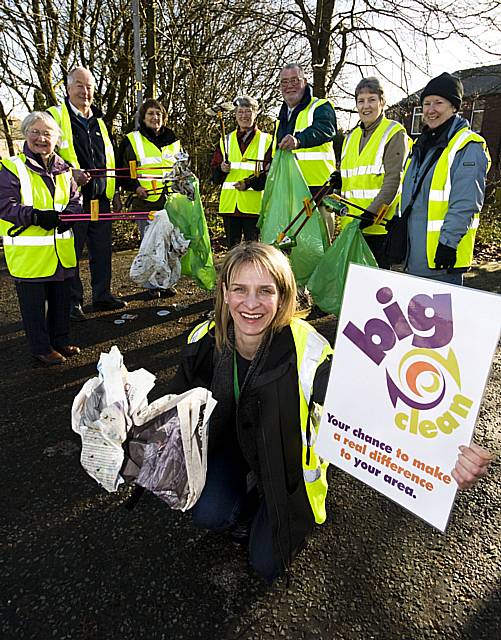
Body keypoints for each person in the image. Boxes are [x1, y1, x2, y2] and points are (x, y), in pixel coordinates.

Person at [166, 241, 491, 582]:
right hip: (235, 449)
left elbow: (371, 408)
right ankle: (246, 501)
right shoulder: (205, 339)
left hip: (285, 468)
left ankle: (272, 508)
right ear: (224, 292)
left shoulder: (307, 349)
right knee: (208, 514)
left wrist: (445, 456)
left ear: (283, 296)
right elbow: (172, 408)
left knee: (266, 564)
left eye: (265, 290)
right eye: (240, 290)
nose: (251, 304)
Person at [0, 112, 81, 365]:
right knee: (34, 307)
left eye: (47, 133)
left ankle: (60, 340)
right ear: (25, 134)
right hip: (30, 254)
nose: (41, 138)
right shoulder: (13, 167)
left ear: (56, 138)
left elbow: (76, 201)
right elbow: (5, 205)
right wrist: (35, 216)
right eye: (35, 132)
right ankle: (41, 348)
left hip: (60, 250)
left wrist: (68, 214)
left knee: (60, 299)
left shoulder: (64, 170)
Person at [47, 66, 126, 321]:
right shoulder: (55, 117)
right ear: (68, 88)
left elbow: (110, 158)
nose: (85, 91)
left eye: (89, 86)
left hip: (101, 198)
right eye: (80, 85)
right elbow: (45, 155)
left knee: (102, 250)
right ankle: (73, 302)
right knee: (72, 251)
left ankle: (102, 295)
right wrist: (71, 173)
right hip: (73, 200)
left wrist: (114, 192)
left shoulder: (100, 121)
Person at [401, 72, 490, 284]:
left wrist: (448, 243)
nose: (431, 110)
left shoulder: (467, 146)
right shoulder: (421, 145)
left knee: (440, 317)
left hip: (442, 259)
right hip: (415, 257)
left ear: (454, 107)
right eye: (426, 103)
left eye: (438, 103)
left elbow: (466, 202)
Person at [242, 64, 338, 244]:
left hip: (318, 190)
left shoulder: (320, 106)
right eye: (284, 82)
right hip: (289, 193)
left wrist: (299, 140)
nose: (289, 86)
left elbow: (326, 128)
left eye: (294, 80)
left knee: (321, 245)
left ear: (305, 82)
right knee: (293, 246)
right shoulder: (281, 118)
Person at [339, 77, 410, 268]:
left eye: (371, 100)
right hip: (352, 227)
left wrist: (369, 215)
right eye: (361, 101)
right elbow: (352, 176)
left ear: (382, 102)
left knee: (377, 292)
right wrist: (338, 179)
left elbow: (393, 182)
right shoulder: (350, 137)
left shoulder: (394, 133)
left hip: (379, 229)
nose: (366, 106)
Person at [117, 98, 181, 298]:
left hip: (171, 200)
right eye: (151, 114)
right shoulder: (132, 139)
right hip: (146, 200)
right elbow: (124, 170)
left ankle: (167, 282)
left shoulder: (173, 140)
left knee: (170, 244)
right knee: (150, 243)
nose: (155, 118)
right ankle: (152, 285)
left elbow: (180, 168)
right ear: (143, 118)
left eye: (159, 114)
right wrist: (135, 187)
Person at [210, 96, 272, 248]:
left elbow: (270, 174)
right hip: (230, 206)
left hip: (254, 206)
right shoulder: (226, 140)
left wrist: (249, 184)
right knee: (232, 250)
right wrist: (221, 169)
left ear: (255, 114)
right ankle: (232, 273)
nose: (244, 115)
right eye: (240, 111)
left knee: (254, 250)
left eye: (248, 111)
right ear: (235, 114)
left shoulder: (267, 140)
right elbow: (214, 176)